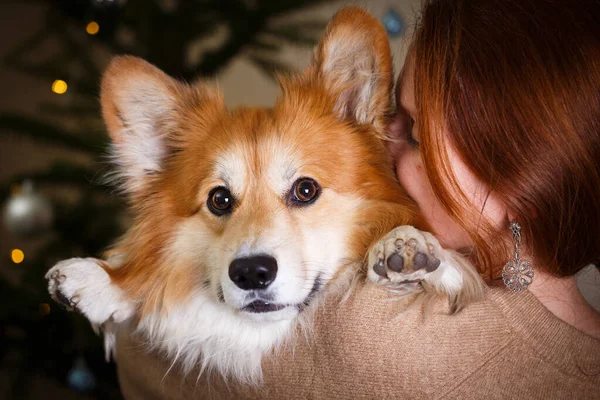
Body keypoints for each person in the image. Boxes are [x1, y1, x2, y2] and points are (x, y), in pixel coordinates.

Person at [115, 1, 600, 398]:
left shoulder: (398, 341)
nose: (382, 138)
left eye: (413, 132)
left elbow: (142, 342)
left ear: (516, 180)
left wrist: (119, 282)